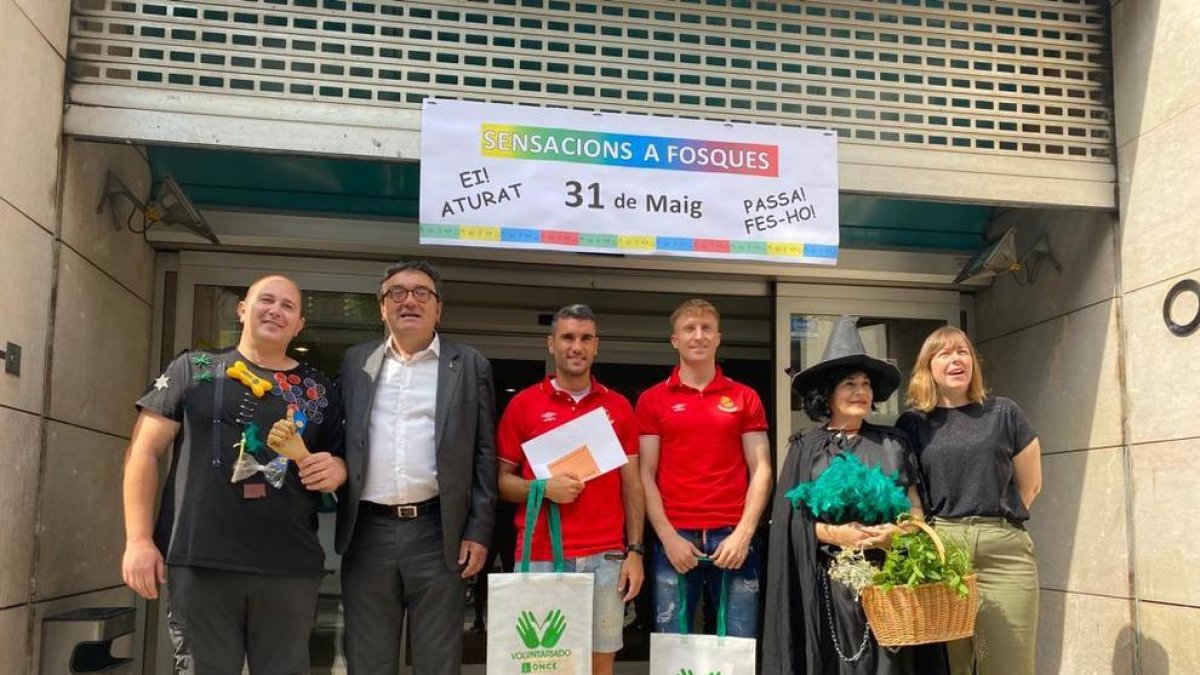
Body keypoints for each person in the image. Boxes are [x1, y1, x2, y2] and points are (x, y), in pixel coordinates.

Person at [121, 275, 346, 675]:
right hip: (201, 559)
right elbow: (144, 451)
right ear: (242, 309)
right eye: (266, 300)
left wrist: (337, 470)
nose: (275, 310)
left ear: (299, 325)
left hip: (288, 565)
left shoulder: (318, 390)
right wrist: (138, 540)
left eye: (287, 306)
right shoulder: (194, 369)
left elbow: (341, 460)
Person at [335, 260, 497, 675]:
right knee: (368, 661)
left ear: (438, 308)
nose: (409, 300)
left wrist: (478, 531)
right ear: (381, 307)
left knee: (438, 661)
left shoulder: (470, 364)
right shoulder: (356, 363)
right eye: (397, 293)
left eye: (421, 293)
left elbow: (483, 452)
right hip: (367, 533)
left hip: (437, 533)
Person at [763, 315, 938, 675]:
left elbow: (917, 512)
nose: (860, 391)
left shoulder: (893, 443)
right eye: (849, 383)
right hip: (827, 590)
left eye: (866, 384)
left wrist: (895, 534)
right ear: (828, 392)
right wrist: (834, 534)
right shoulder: (805, 449)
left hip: (890, 588)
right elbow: (788, 523)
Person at [496, 304, 645, 675]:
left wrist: (636, 551)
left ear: (596, 347)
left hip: (607, 556)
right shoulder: (522, 405)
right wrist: (542, 488)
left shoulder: (619, 407)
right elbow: (499, 482)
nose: (576, 346)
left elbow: (632, 485)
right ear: (551, 344)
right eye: (567, 337)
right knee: (541, 663)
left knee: (599, 663)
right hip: (540, 552)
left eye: (585, 338)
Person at [895, 325, 1042, 675]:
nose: (956, 359)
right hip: (944, 549)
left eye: (962, 351)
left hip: (1003, 551)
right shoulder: (912, 424)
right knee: (950, 666)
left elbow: (1031, 485)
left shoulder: (1003, 413)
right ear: (927, 367)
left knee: (1008, 664)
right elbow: (910, 494)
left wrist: (994, 523)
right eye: (944, 353)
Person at [636, 298, 771, 638]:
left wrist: (743, 534)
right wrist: (667, 537)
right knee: (672, 645)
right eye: (689, 329)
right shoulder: (652, 400)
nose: (698, 336)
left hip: (733, 536)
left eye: (706, 328)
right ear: (675, 340)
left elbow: (762, 470)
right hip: (676, 537)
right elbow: (644, 475)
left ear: (718, 337)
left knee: (739, 646)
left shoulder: (745, 397)